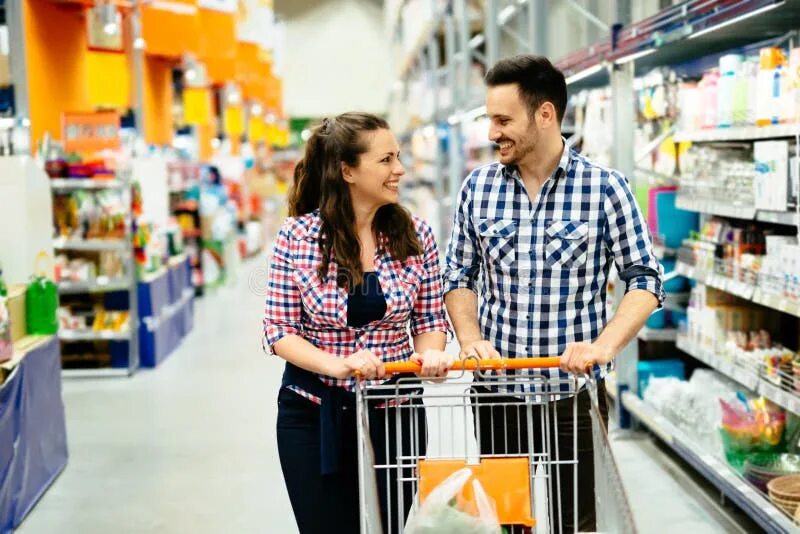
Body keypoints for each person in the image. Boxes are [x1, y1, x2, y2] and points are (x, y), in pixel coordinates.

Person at [444, 55, 664, 531]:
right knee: (506, 520)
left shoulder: (605, 189)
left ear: (545, 114)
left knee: (576, 522)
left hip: (573, 396)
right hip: (497, 394)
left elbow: (645, 279)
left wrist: (603, 348)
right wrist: (468, 337)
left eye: (503, 120)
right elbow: (458, 275)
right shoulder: (476, 189)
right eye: (489, 119)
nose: (491, 133)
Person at [263, 112, 453, 534]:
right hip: (313, 415)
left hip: (396, 414)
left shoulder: (416, 235)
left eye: (399, 157)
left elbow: (430, 318)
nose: (399, 169)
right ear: (347, 170)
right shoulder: (297, 238)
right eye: (386, 160)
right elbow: (279, 330)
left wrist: (431, 354)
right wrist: (339, 365)